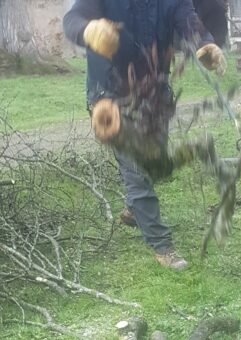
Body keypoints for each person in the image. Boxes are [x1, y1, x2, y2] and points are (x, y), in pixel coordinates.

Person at [63, 0, 226, 271]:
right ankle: (161, 244)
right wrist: (88, 29)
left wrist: (206, 43)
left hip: (154, 93)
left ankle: (132, 209)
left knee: (154, 160)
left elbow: (189, 21)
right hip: (110, 95)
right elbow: (73, 18)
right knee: (136, 169)